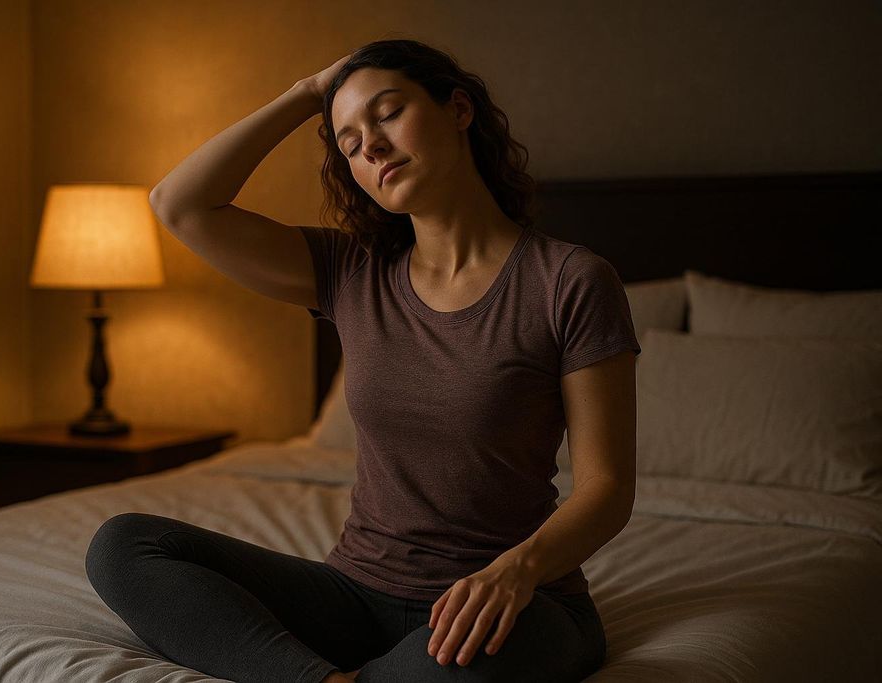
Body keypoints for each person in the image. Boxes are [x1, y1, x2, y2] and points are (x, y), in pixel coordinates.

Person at [85, 38, 641, 683]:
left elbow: (606, 489)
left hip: (506, 605)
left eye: (387, 113)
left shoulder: (569, 281)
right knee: (126, 546)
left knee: (494, 649)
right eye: (348, 143)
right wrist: (304, 94)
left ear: (458, 110)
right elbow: (178, 204)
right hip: (355, 596)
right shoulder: (351, 272)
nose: (370, 145)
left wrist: (514, 570)